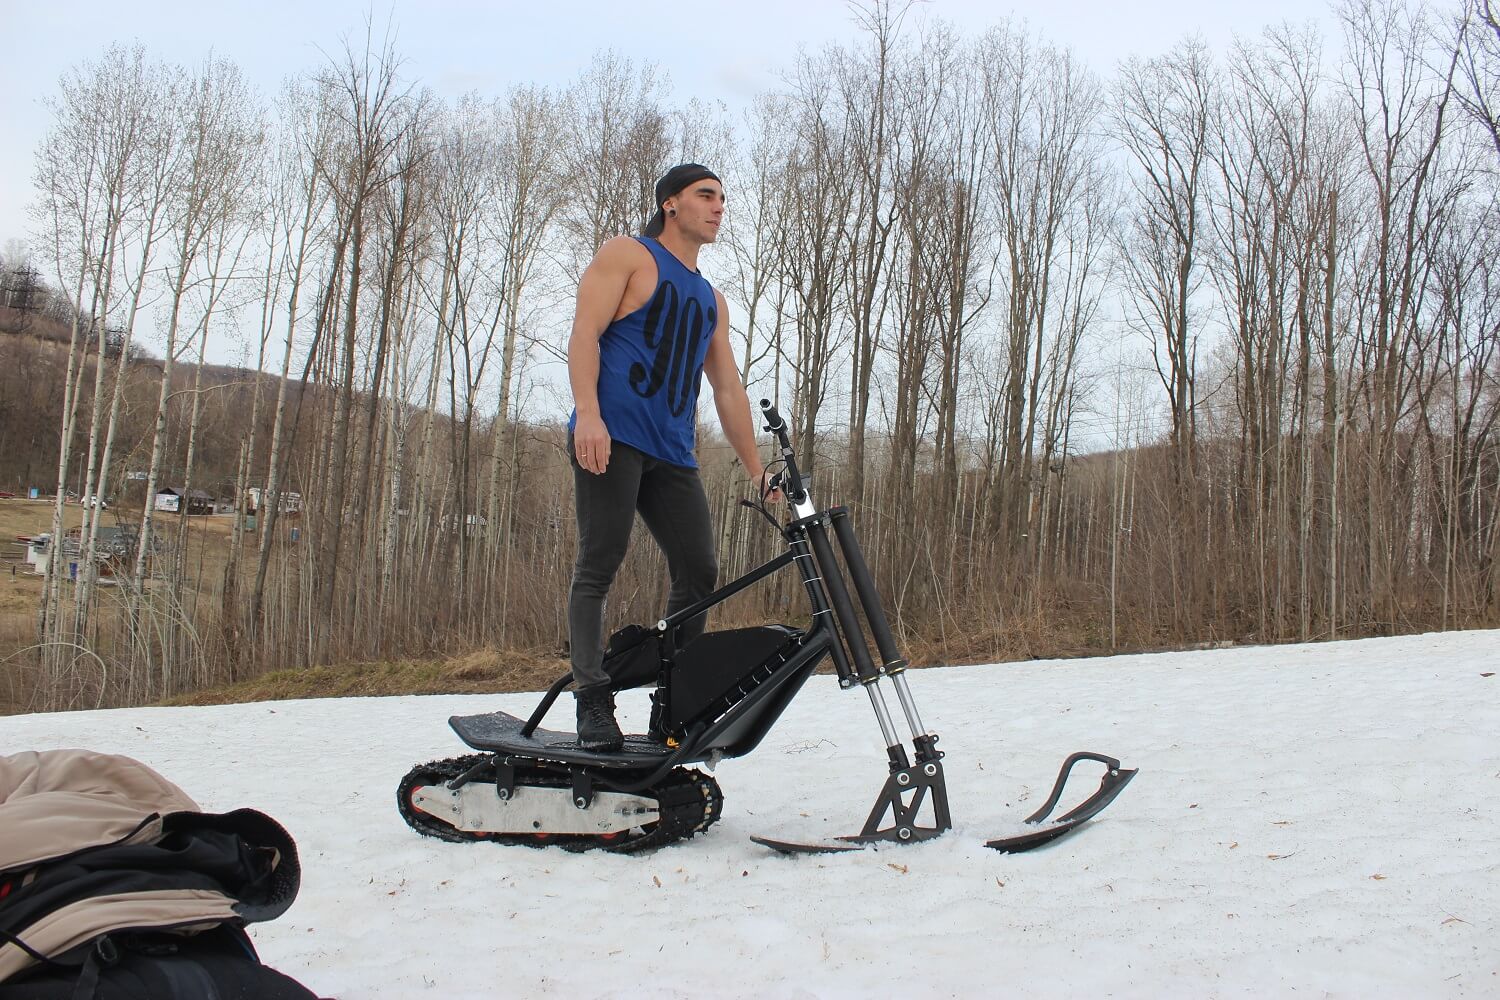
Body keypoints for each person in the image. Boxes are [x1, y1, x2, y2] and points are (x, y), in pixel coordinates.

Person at [566, 163, 778, 752]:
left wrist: (757, 469)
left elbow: (728, 388)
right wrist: (588, 414)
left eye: (722, 199)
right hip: (612, 437)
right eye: (705, 196)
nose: (718, 207)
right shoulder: (628, 255)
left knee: (699, 571)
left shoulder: (711, 300)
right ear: (671, 205)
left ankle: (674, 697)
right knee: (598, 563)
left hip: (672, 453)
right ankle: (592, 698)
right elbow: (585, 334)